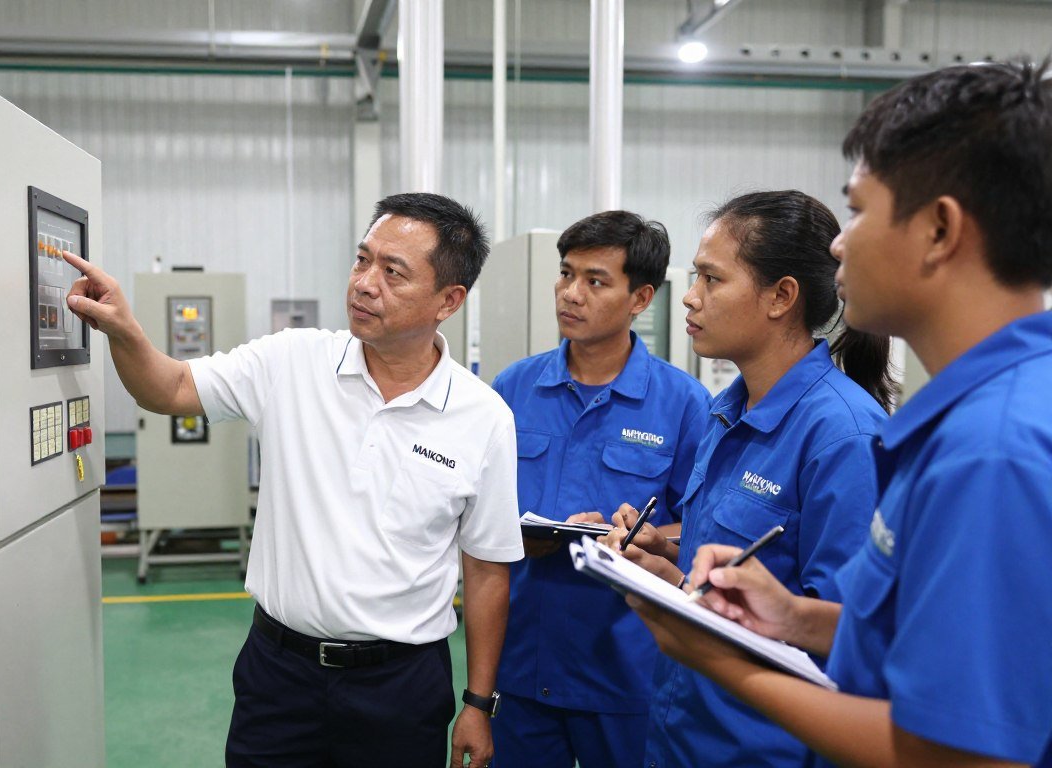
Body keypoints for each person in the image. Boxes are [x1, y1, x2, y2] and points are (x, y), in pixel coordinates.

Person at [629, 60, 1052, 768]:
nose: (838, 241)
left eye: (858, 210)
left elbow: (957, 755)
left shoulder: (992, 452)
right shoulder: (969, 422)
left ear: (939, 229)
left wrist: (721, 657)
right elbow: (907, 635)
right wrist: (794, 617)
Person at [63, 192, 525, 768]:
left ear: (448, 300)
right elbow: (172, 389)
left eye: (393, 271)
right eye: (362, 260)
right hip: (279, 675)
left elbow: (486, 570)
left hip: (401, 687)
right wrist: (125, 331)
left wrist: (479, 703)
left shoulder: (482, 418)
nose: (364, 282)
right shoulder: (292, 362)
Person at [605, 190, 894, 767]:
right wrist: (665, 564)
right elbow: (732, 569)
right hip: (682, 731)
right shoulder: (729, 411)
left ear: (781, 297)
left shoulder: (844, 436)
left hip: (764, 749)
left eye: (711, 279)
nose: (689, 297)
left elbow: (842, 636)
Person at [489, 210, 711, 768]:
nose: (571, 294)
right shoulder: (513, 388)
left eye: (595, 281)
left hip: (626, 675)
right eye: (566, 275)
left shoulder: (683, 404)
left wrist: (642, 537)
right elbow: (475, 507)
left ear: (640, 298)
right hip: (520, 669)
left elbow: (699, 526)